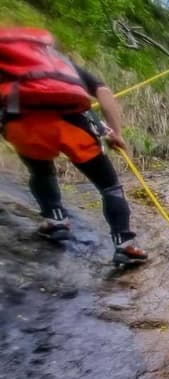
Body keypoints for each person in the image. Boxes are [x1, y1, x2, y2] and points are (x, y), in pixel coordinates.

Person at [0, 27, 147, 265]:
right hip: (72, 127)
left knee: (40, 170)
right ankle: (124, 245)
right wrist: (115, 132)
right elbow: (103, 92)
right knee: (109, 186)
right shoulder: (60, 63)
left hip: (23, 127)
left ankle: (56, 221)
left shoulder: (10, 64)